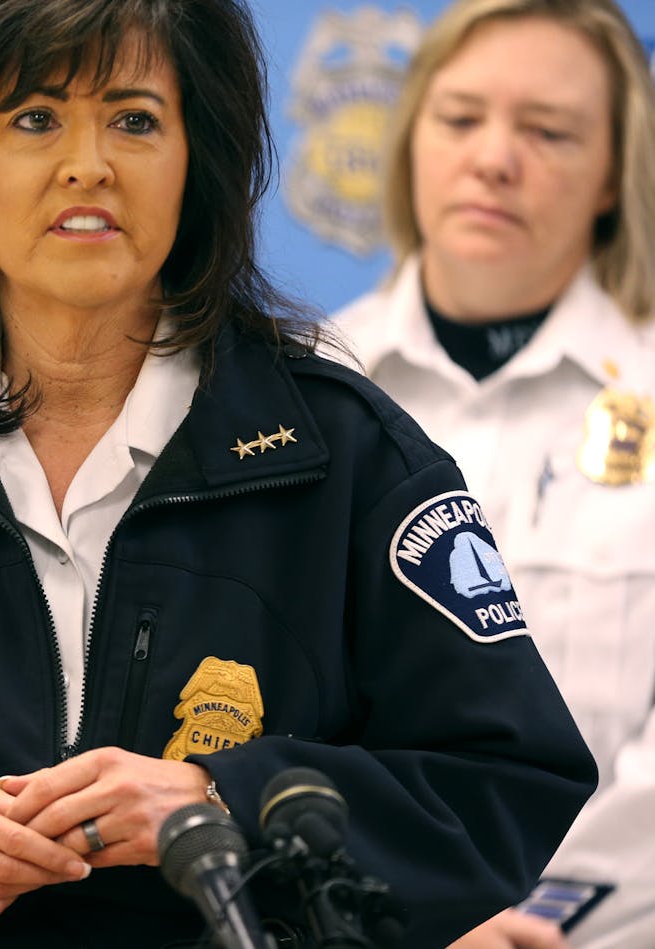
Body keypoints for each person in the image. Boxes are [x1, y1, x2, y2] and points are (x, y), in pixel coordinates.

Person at [0, 0, 595, 946]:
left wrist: (223, 805)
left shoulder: (343, 455)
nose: (86, 166)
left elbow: (505, 782)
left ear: (193, 162)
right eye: (34, 118)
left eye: (132, 119)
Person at [329, 0, 655, 946]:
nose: (494, 157)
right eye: (461, 118)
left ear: (611, 175)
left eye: (548, 131)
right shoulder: (292, 390)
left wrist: (525, 921)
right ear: (411, 141)